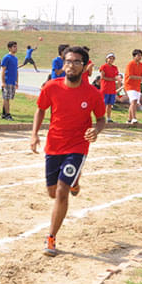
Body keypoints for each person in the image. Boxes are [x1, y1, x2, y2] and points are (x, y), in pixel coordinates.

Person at [30, 46, 106, 257]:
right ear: (63, 64)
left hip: (78, 146)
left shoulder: (92, 93)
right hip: (54, 145)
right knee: (52, 192)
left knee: (62, 191)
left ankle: (51, 237)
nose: (71, 65)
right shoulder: (51, 87)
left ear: (85, 66)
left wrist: (96, 130)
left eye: (76, 62)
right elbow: (40, 109)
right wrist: (34, 134)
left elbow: (101, 118)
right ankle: (75, 181)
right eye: (68, 61)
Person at [125, 49, 142, 124]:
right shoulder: (130, 64)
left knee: (134, 102)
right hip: (129, 85)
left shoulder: (141, 65)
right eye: (138, 55)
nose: (140, 57)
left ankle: (129, 119)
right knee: (134, 101)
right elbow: (130, 76)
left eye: (141, 56)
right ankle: (134, 118)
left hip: (137, 86)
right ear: (134, 56)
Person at [0, 41, 19, 121]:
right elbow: (3, 70)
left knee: (7, 98)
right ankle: (7, 114)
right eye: (14, 46)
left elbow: (16, 70)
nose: (16, 48)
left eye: (16, 46)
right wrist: (3, 82)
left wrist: (17, 81)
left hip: (12, 81)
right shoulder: (6, 57)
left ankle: (4, 113)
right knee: (6, 98)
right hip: (7, 81)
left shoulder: (15, 58)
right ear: (9, 48)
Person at [99, 53, 119, 122]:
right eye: (110, 58)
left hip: (112, 89)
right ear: (106, 59)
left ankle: (108, 118)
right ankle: (101, 117)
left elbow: (116, 76)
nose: (111, 60)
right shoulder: (103, 67)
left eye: (113, 58)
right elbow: (102, 77)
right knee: (103, 104)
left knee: (110, 105)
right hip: (105, 88)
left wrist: (117, 80)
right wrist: (112, 79)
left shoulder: (115, 68)